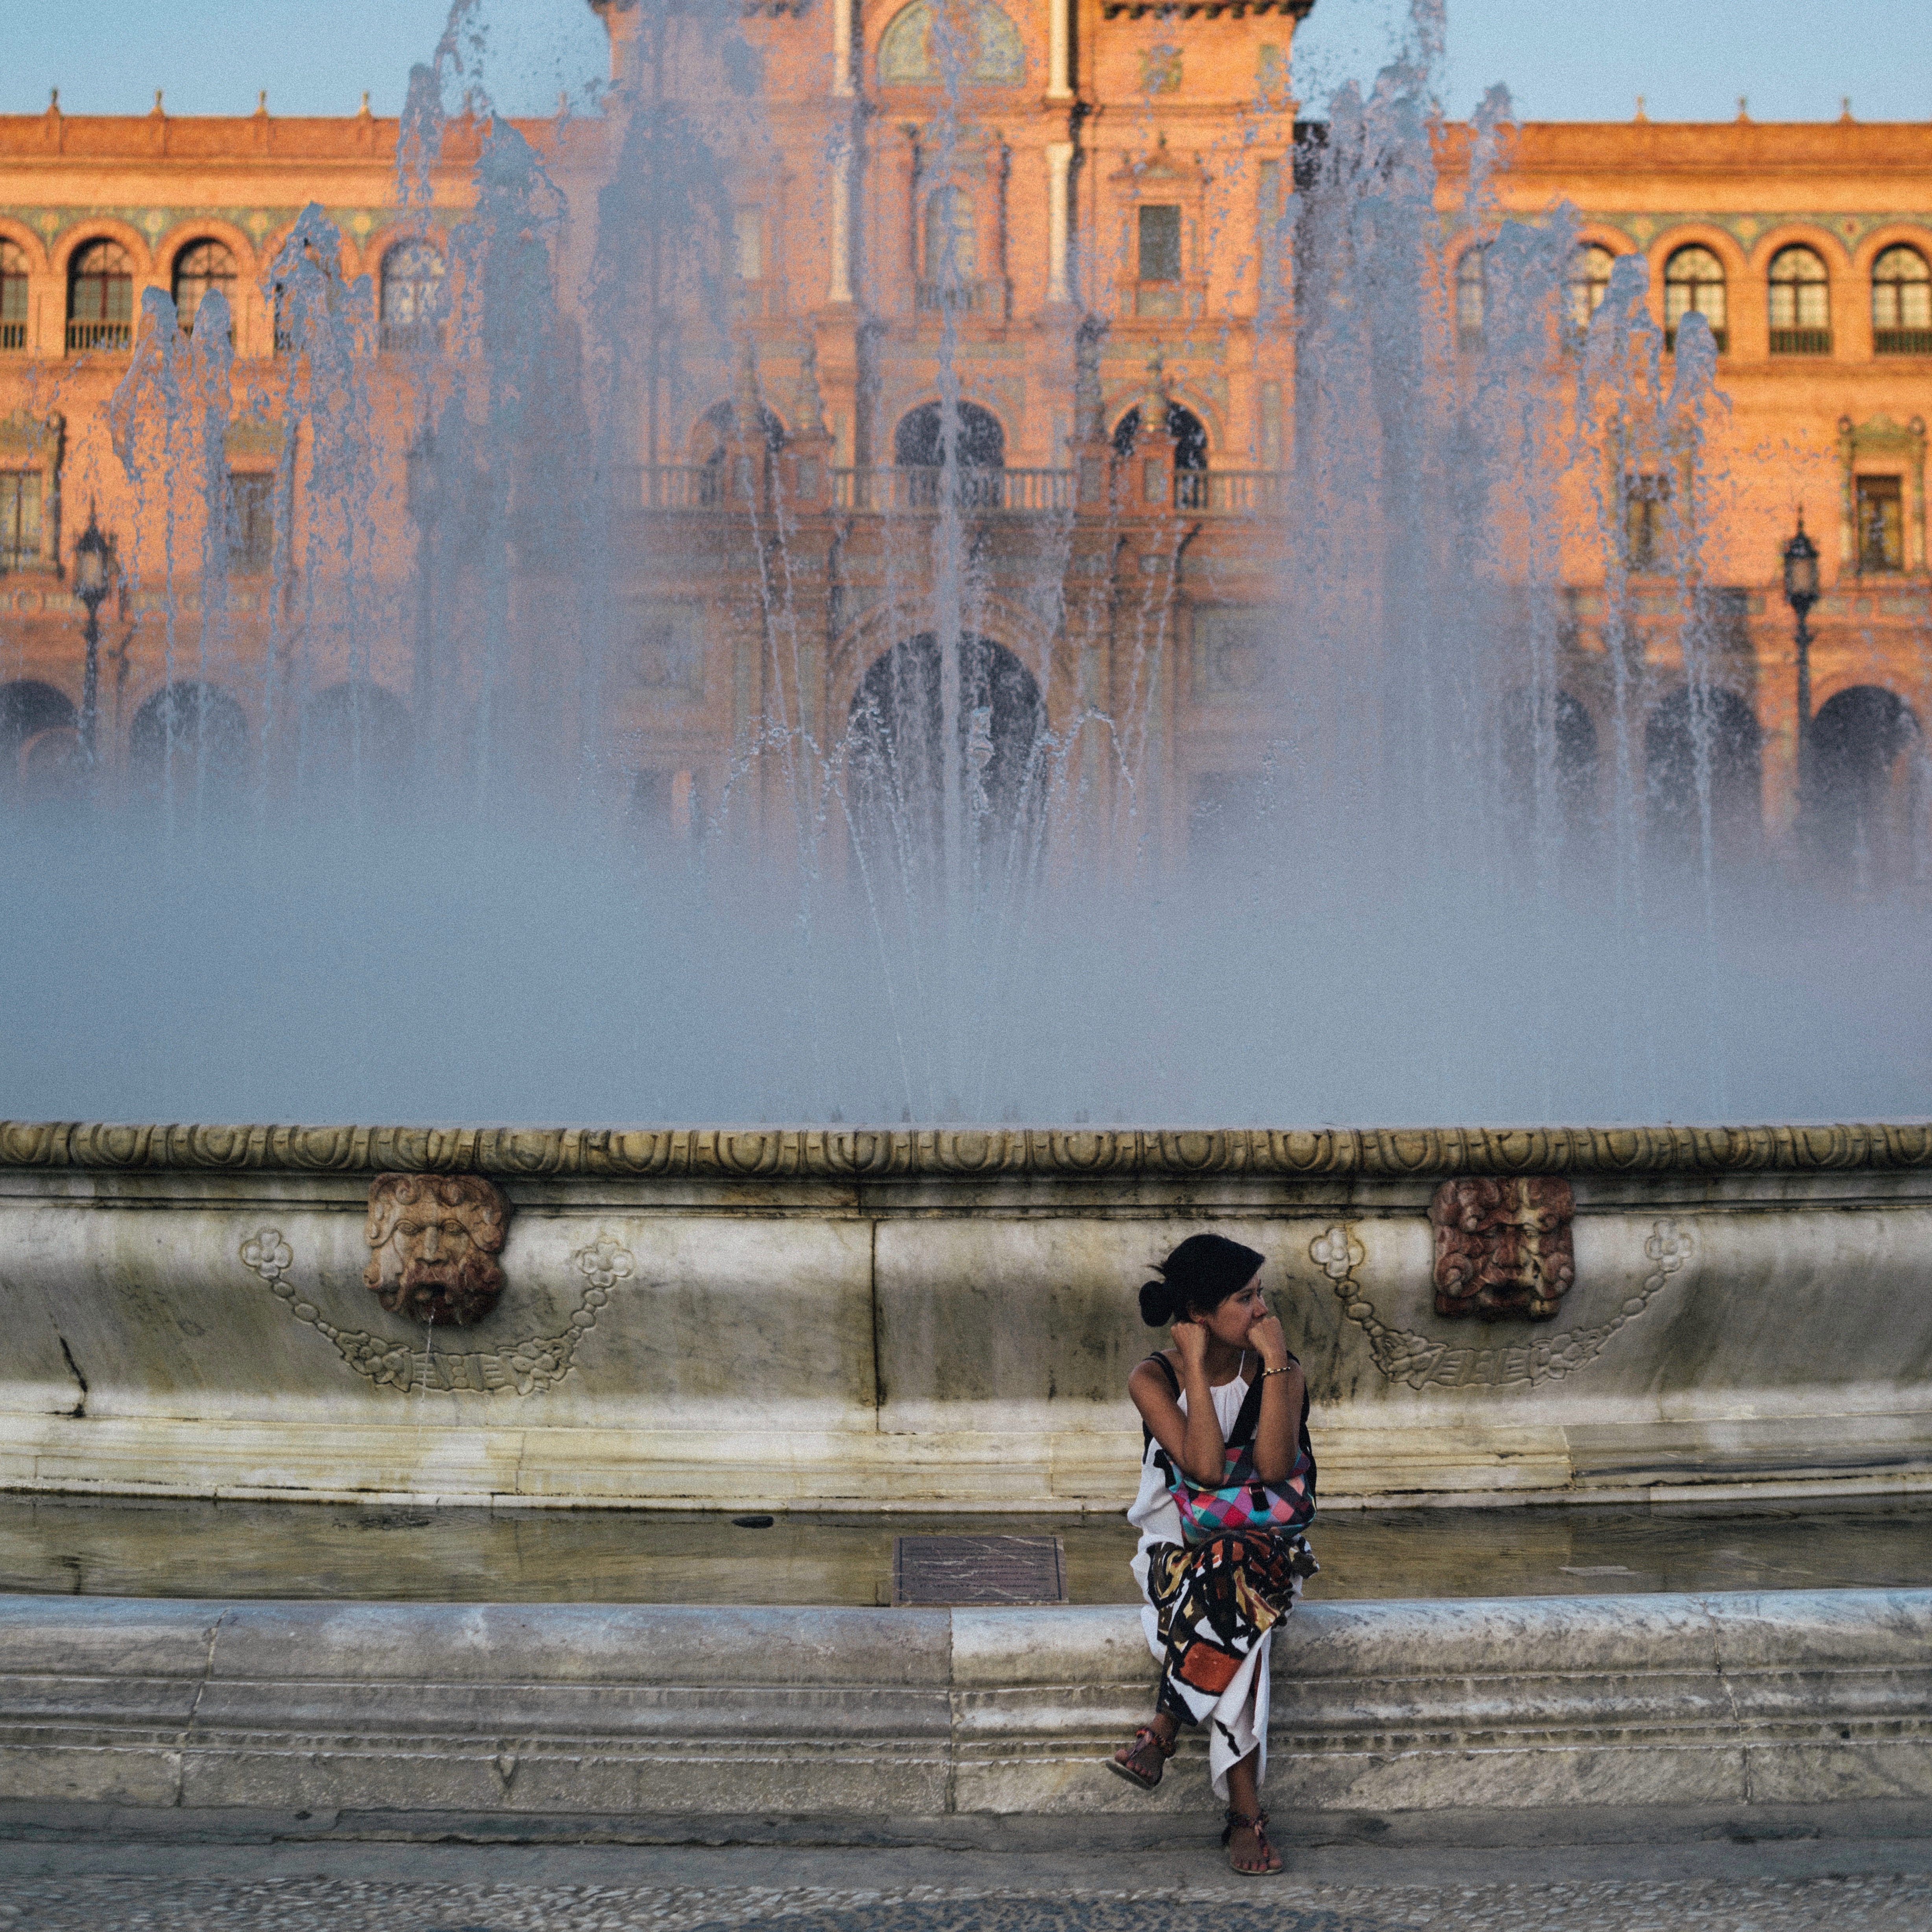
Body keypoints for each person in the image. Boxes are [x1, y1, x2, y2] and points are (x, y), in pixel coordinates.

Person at [1108, 1232, 1317, 1876]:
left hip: (1266, 1554)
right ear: (1200, 1314)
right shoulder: (1155, 1378)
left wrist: (1277, 1365)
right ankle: (1243, 1814)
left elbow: (1277, 1466)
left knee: (1241, 1566)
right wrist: (1196, 1369)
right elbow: (1201, 1469)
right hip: (1177, 1558)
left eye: (1261, 1295)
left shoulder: (1284, 1371)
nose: (1261, 1311)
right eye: (1244, 1298)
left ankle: (1166, 1724)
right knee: (1243, 1611)